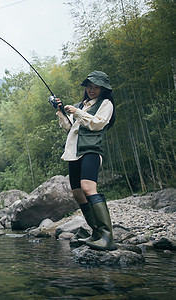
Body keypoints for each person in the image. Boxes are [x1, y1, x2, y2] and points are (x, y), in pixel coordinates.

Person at [55, 70, 117, 251]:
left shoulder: (106, 104)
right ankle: (96, 232)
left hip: (91, 150)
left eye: (96, 87)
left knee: (88, 188)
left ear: (103, 89)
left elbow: (98, 123)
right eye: (89, 86)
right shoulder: (81, 105)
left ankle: (107, 237)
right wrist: (60, 111)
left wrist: (78, 112)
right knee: (77, 192)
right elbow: (69, 128)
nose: (92, 90)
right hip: (73, 153)